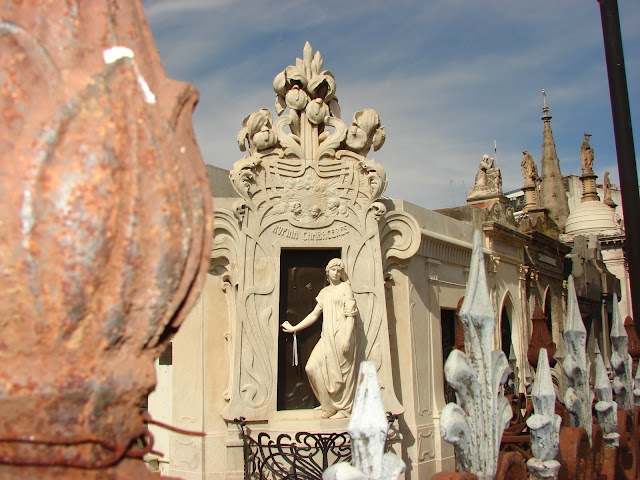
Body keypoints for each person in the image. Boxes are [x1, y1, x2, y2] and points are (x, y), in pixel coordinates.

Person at [281, 258, 357, 418]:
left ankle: (343, 409)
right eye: (333, 269)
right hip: (327, 335)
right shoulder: (324, 292)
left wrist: (347, 338)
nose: (336, 273)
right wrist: (295, 328)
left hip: (341, 334)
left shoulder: (345, 288)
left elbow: (350, 316)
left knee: (341, 377)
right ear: (327, 272)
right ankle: (327, 405)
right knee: (311, 367)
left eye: (339, 270)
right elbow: (314, 314)